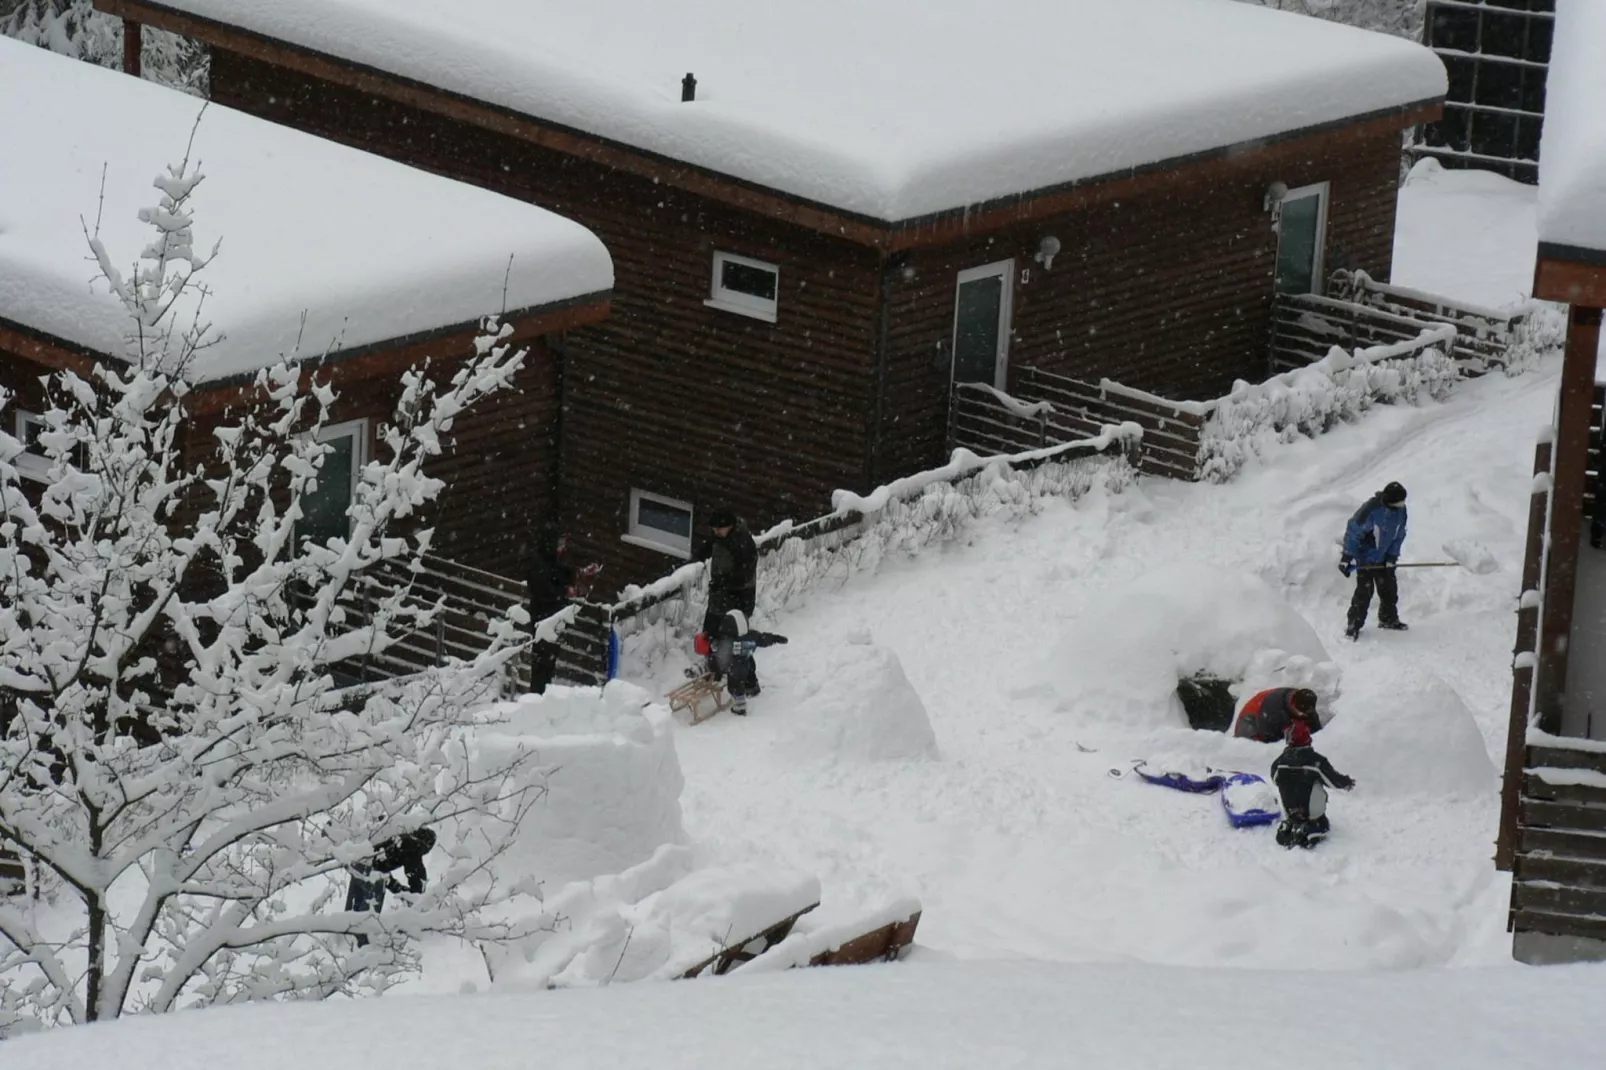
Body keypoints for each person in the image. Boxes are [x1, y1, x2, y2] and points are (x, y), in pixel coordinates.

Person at [527, 528, 601, 693]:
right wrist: (565, 592)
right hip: (542, 617)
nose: (562, 548)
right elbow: (543, 588)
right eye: (559, 544)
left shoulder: (551, 560)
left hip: (553, 617)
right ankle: (536, 696)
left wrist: (581, 573)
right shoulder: (538, 562)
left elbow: (561, 574)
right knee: (542, 662)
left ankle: (542, 695)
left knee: (549, 661)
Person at [1340, 481, 1409, 640]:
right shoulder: (1372, 510)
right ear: (1390, 500)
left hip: (1384, 556)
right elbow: (1353, 531)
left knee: (1389, 588)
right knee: (1365, 592)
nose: (1403, 504)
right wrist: (1347, 556)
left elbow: (1399, 535)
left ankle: (1388, 619)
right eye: (1399, 501)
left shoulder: (1401, 510)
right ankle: (1353, 626)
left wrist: (1392, 556)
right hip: (1365, 557)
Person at [1270, 721, 1354, 849]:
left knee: (1288, 786)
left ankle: (1293, 824)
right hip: (1310, 810)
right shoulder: (1315, 761)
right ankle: (1310, 828)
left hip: (1290, 808)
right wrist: (1348, 782)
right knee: (1321, 817)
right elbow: (1333, 781)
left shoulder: (1280, 762)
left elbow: (1275, 779)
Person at [346, 828, 437, 946]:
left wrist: (396, 887)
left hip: (357, 861)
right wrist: (417, 897)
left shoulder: (401, 838)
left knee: (355, 907)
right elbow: (415, 873)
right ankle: (363, 944)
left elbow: (383, 862)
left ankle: (346, 936)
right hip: (371, 870)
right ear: (427, 844)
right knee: (370, 909)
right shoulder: (414, 845)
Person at [706, 609, 787, 716]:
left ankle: (740, 707)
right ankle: (752, 687)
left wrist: (711, 664)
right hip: (747, 664)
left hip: (734, 670)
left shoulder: (726, 642)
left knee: (735, 686)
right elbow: (763, 638)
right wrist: (776, 638)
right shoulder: (750, 636)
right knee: (750, 671)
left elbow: (715, 657)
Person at [696, 509, 758, 638]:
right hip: (720, 594)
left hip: (739, 595)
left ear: (730, 526)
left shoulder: (743, 542)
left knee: (732, 635)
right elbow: (704, 552)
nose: (716, 532)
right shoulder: (719, 537)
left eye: (719, 529)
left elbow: (746, 572)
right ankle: (710, 654)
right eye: (714, 529)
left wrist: (723, 582)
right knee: (711, 632)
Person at [1232, 686, 1321, 743]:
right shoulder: (1274, 712)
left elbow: (1316, 731)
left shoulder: (1305, 704)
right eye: (1301, 713)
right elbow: (1268, 739)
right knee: (1249, 745)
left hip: (1271, 715)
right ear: (1293, 705)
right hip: (1252, 718)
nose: (1303, 716)